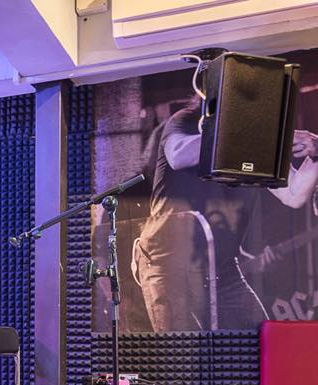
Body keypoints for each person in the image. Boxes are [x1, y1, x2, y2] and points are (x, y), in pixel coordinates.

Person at [133, 99, 318, 331]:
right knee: (185, 351)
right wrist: (251, 135)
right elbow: (178, 155)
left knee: (257, 344)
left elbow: (294, 194)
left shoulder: (257, 146)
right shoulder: (188, 119)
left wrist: (316, 151)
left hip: (223, 270)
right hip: (169, 263)